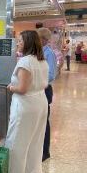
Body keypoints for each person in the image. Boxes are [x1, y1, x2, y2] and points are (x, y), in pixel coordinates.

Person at [5, 30, 49, 173]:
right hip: (40, 102)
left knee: (17, 139)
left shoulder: (25, 61)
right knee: (35, 139)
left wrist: (11, 87)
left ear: (28, 43)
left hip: (26, 105)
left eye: (20, 41)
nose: (18, 43)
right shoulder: (42, 61)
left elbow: (22, 89)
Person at [37, 28, 57, 162]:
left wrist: (34, 79)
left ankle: (45, 152)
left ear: (43, 39)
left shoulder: (49, 53)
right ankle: (38, 150)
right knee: (38, 122)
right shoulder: (39, 53)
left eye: (37, 38)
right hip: (38, 90)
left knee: (44, 122)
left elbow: (50, 75)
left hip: (44, 90)